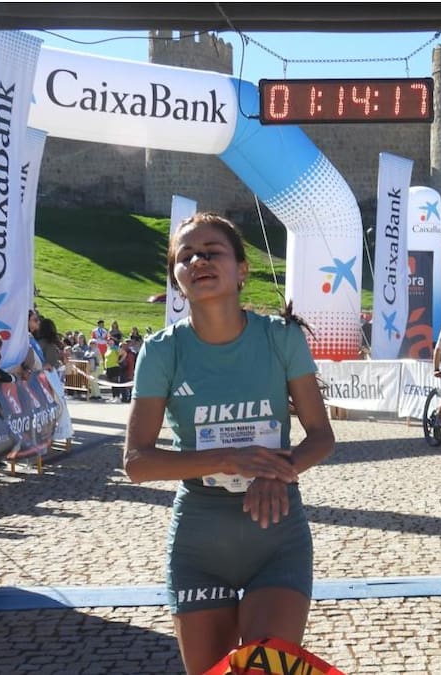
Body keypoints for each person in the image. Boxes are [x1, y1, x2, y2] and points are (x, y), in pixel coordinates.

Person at [123, 213, 334, 674]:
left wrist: (279, 469)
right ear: (178, 279)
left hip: (275, 533)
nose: (198, 259)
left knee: (262, 672)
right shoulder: (161, 351)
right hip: (200, 541)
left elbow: (321, 436)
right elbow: (137, 462)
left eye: (211, 251)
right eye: (186, 256)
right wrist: (229, 459)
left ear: (242, 270)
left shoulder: (281, 338)